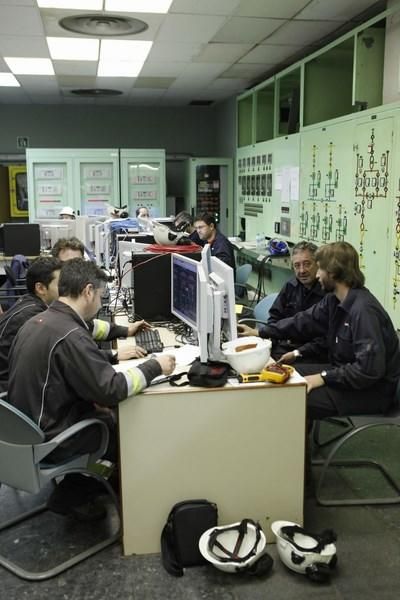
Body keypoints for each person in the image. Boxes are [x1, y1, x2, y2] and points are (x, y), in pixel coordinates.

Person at [7, 258, 175, 463]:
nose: (100, 302)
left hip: (25, 432)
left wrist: (111, 357)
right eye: (101, 296)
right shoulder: (71, 334)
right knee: (126, 428)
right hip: (53, 441)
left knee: (104, 410)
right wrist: (155, 366)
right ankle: (120, 490)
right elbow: (112, 390)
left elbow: (73, 362)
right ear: (88, 292)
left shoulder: (40, 321)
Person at [238, 241, 400, 423]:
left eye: (320, 269)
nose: (317, 274)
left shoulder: (363, 311)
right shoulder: (334, 300)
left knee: (289, 395)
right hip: (343, 371)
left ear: (333, 272)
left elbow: (368, 371)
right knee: (285, 375)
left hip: (371, 391)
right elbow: (302, 321)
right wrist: (260, 332)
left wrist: (323, 377)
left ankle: (295, 450)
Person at [51, 236, 151, 358]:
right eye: (68, 264)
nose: (74, 269)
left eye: (78, 262)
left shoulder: (71, 299)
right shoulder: (51, 299)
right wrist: (113, 355)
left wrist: (125, 330)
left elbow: (90, 326)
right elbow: (80, 359)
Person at [0, 256, 62, 392]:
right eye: (60, 285)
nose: (65, 289)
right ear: (40, 288)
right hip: (9, 391)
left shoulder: (29, 303)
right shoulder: (36, 317)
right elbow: (62, 357)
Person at [261, 241, 327, 362]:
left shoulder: (327, 291)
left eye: (307, 264)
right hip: (286, 346)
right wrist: (271, 341)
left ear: (318, 264)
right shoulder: (290, 286)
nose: (302, 271)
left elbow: (325, 339)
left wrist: (297, 353)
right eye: (297, 265)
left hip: (312, 352)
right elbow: (275, 317)